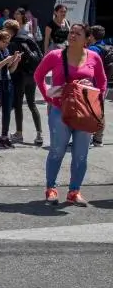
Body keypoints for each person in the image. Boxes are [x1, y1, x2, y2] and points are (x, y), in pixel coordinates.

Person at [34, 23, 107, 206]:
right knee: (57, 151)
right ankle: (51, 188)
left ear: (87, 38)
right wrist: (49, 98)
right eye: (71, 32)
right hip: (60, 111)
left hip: (85, 113)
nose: (72, 35)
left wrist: (97, 102)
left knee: (81, 154)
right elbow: (38, 75)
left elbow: (103, 81)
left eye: (78, 33)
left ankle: (74, 191)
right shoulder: (55, 56)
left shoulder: (94, 57)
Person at [4, 20, 44, 146]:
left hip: (19, 76)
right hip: (32, 75)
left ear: (10, 30)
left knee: (18, 104)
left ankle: (19, 133)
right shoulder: (28, 38)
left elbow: (11, 62)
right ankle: (39, 134)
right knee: (32, 104)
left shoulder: (13, 43)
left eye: (5, 29)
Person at [86, 24, 110, 147]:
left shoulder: (93, 50)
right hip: (104, 84)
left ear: (91, 36)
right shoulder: (106, 47)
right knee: (100, 111)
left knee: (90, 111)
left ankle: (87, 138)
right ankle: (98, 139)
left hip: (94, 85)